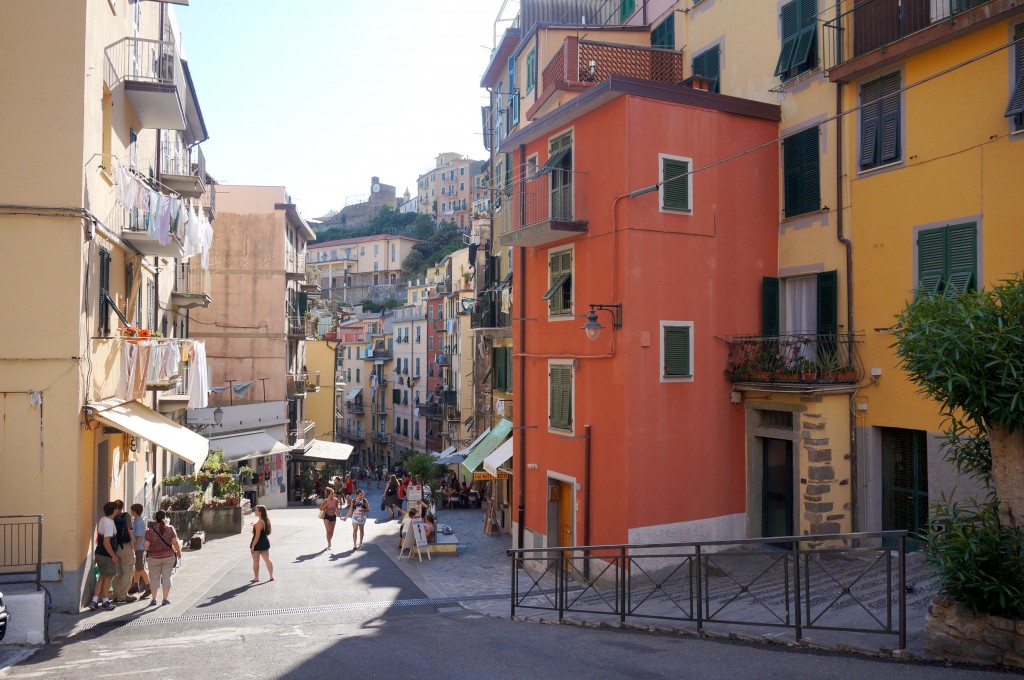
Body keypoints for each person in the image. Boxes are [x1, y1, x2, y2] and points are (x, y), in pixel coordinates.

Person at [143, 510, 181, 606]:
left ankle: (154, 599)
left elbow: (146, 545)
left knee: (154, 578)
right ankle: (165, 599)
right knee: (166, 577)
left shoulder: (149, 530)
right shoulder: (170, 528)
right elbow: (175, 542)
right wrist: (178, 552)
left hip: (154, 558)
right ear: (165, 517)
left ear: (155, 518)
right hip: (168, 557)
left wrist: (151, 547)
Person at [88, 501, 119, 610]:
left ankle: (94, 601)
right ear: (114, 510)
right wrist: (113, 555)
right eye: (117, 508)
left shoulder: (102, 520)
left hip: (99, 552)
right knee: (108, 577)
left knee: (102, 576)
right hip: (106, 555)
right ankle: (105, 601)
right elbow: (107, 541)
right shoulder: (110, 523)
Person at [111, 499, 137, 603]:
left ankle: (116, 594)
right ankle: (123, 595)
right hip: (125, 547)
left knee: (118, 572)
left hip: (114, 548)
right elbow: (129, 530)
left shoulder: (111, 517)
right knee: (128, 570)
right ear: (122, 507)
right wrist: (132, 542)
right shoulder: (126, 516)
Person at [129, 503, 151, 600]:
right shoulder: (137, 520)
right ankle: (135, 584)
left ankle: (148, 586)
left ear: (134, 511)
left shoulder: (138, 522)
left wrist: (135, 547)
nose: (131, 512)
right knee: (137, 567)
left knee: (140, 567)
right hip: (139, 547)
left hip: (139, 548)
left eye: (131, 510)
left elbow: (139, 536)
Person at [249, 505, 274, 583]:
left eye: (256, 510)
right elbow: (261, 530)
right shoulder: (265, 520)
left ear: (260, 512)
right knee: (267, 560)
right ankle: (271, 576)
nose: (255, 512)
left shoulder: (259, 523)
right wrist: (254, 526)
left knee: (256, 561)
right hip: (265, 542)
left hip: (258, 543)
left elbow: (257, 536)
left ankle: (256, 578)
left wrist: (253, 545)